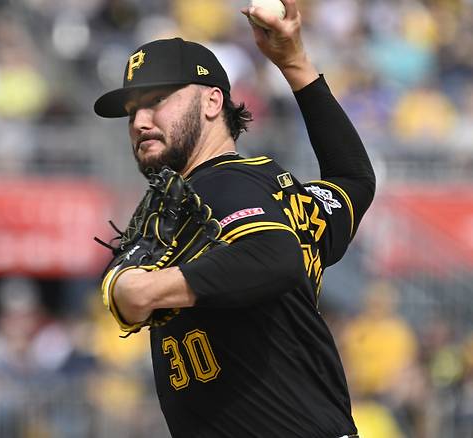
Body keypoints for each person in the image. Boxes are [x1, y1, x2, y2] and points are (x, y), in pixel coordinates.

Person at [93, 1, 375, 437]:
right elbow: (352, 178)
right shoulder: (275, 194)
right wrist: (295, 63)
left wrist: (145, 286)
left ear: (212, 101)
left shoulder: (219, 186)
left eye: (156, 101)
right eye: (132, 110)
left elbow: (272, 255)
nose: (140, 121)